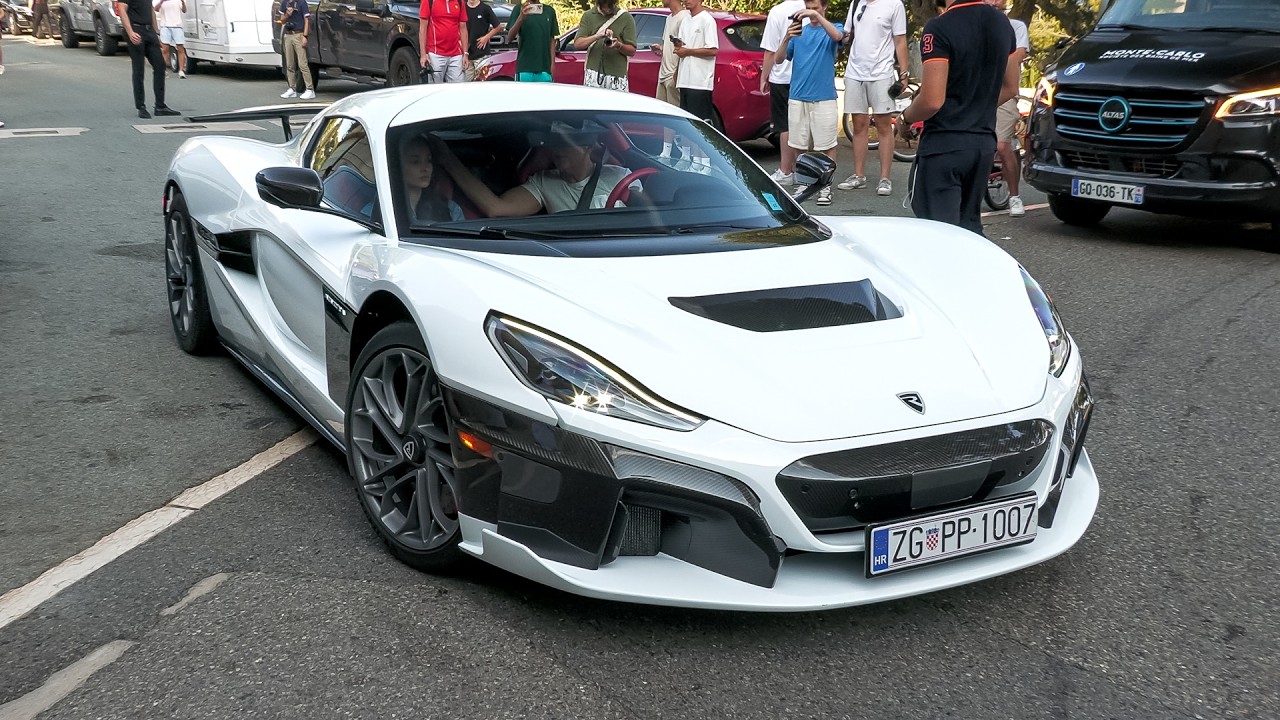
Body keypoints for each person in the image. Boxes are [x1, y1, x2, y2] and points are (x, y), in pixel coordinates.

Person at [901, 0, 1018, 236]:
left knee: (939, 233)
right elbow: (1010, 87)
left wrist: (906, 118)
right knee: (970, 228)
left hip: (945, 143)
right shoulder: (1002, 23)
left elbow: (932, 100)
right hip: (982, 143)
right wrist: (977, 104)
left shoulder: (939, 27)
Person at [432, 120, 636, 216]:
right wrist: (448, 159)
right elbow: (496, 208)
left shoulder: (621, 178)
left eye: (564, 142)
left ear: (588, 147)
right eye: (552, 142)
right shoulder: (544, 182)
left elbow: (651, 220)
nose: (556, 149)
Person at [774, 0, 842, 206]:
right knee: (798, 144)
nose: (811, 13)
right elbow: (778, 59)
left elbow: (838, 37)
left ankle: (825, 186)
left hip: (824, 96)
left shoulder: (834, 27)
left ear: (824, 7)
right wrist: (787, 36)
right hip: (797, 95)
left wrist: (817, 17)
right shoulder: (799, 34)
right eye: (809, 8)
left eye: (816, 8)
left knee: (826, 145)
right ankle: (805, 182)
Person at [836, 0, 907, 196]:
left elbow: (900, 40)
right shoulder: (856, 2)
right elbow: (847, 34)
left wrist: (904, 72)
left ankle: (885, 178)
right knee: (858, 125)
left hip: (882, 73)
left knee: (884, 126)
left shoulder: (894, 4)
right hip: (854, 72)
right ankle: (859, 175)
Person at [987, 0, 1028, 217]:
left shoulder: (1016, 27)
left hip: (1004, 93)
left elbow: (1018, 56)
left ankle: (1014, 196)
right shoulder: (976, 24)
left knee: (1003, 146)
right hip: (978, 91)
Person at [759, 0, 805, 186]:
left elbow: (770, 50)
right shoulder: (811, 10)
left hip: (782, 76)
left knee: (784, 125)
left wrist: (764, 76)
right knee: (801, 125)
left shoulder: (778, 11)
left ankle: (786, 170)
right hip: (804, 75)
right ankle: (803, 171)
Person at [116, 0, 181, 118]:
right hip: (136, 30)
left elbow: (151, 10)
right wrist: (130, 32)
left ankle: (160, 106)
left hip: (149, 31)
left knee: (160, 66)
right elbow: (122, 10)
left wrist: (156, 33)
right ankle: (141, 106)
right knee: (139, 69)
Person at [400, 136, 465, 224]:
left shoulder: (451, 210)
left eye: (429, 160)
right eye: (415, 162)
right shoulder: (386, 208)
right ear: (398, 166)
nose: (425, 168)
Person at [574, 0, 635, 92]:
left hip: (617, 77)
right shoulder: (588, 16)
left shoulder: (626, 18)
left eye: (610, 5)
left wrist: (619, 45)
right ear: (599, 3)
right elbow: (578, 44)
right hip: (593, 74)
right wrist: (596, 36)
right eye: (605, 5)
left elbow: (632, 51)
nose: (608, 9)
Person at [674, 0, 717, 126]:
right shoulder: (685, 20)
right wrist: (677, 70)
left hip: (700, 82)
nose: (687, 1)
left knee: (699, 124)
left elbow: (713, 50)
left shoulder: (707, 20)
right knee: (686, 123)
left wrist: (688, 51)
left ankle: (698, 147)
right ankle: (686, 147)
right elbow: (682, 47)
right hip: (684, 80)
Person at [504, 0, 558, 82]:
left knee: (544, 95)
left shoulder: (549, 11)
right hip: (524, 68)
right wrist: (521, 18)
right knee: (524, 95)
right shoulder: (519, 9)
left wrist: (552, 66)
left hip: (545, 69)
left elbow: (552, 41)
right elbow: (509, 38)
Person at [419, 0, 470, 83]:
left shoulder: (460, 2)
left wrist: (465, 53)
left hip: (456, 54)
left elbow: (463, 28)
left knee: (459, 89)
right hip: (435, 54)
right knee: (435, 90)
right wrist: (423, 54)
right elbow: (422, 29)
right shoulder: (429, 1)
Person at [650, 0, 687, 107]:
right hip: (663, 75)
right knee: (661, 113)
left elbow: (685, 48)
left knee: (675, 115)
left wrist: (676, 76)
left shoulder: (684, 18)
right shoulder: (669, 18)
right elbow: (672, 44)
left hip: (673, 76)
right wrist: (662, 49)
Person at [278, 0, 315, 99]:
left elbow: (306, 20)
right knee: (290, 64)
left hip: (298, 34)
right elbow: (282, 21)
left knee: (302, 63)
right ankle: (292, 88)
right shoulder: (285, 3)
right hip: (288, 35)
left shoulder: (301, 2)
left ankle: (309, 89)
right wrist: (287, 14)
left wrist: (305, 36)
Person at [464, 0, 501, 76]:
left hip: (482, 54)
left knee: (482, 82)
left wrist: (486, 37)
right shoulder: (463, 9)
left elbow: (498, 26)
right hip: (466, 55)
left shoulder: (485, 8)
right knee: (466, 83)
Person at [154, 0, 188, 79]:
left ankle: (181, 71)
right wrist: (162, 1)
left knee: (180, 48)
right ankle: (163, 70)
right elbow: (155, 9)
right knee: (165, 49)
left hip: (177, 26)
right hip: (165, 26)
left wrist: (182, 2)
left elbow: (184, 10)